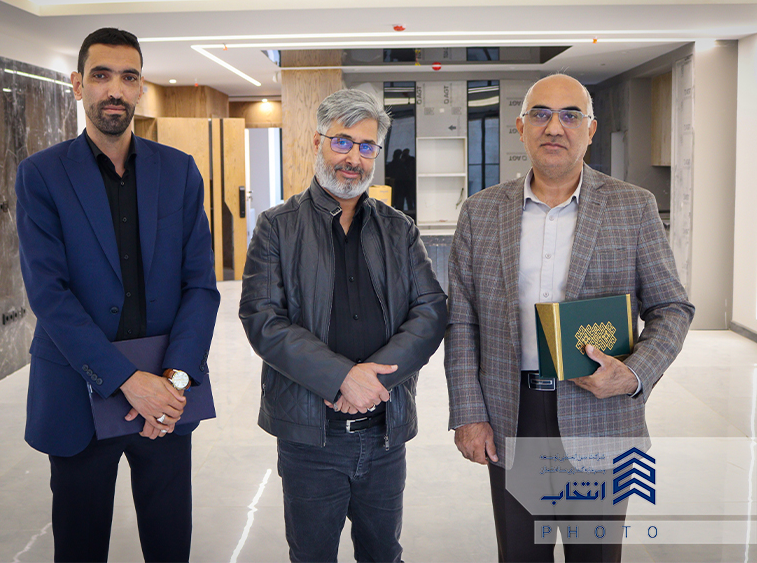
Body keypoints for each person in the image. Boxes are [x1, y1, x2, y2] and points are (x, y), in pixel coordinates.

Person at [445, 73, 694, 563]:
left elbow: (672, 308)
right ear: (521, 127)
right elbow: (461, 322)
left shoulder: (633, 207)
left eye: (569, 115)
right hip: (513, 413)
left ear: (590, 129)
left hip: (602, 414)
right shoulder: (480, 212)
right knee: (521, 554)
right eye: (540, 114)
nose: (554, 127)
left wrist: (633, 375)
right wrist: (469, 413)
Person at [16, 27, 219, 563]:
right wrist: (129, 382)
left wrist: (172, 383)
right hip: (78, 394)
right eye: (101, 75)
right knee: (80, 546)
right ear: (77, 84)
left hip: (167, 398)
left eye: (128, 77)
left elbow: (200, 285)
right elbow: (49, 294)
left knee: (170, 543)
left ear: (141, 87)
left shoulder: (178, 170)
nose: (115, 89)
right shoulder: (41, 175)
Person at [240, 89, 447, 563]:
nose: (354, 158)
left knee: (383, 554)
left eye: (366, 146)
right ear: (318, 142)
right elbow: (263, 319)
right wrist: (341, 377)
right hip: (310, 437)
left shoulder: (399, 229)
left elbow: (431, 309)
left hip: (384, 432)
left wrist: (374, 381)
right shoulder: (277, 227)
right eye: (342, 142)